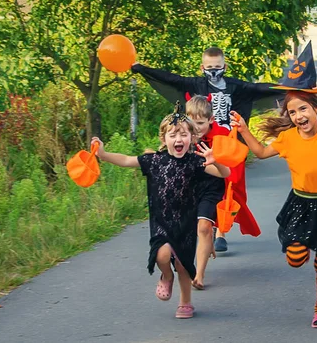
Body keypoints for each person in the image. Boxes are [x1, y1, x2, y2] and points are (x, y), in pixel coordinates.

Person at [231, 42, 317, 328]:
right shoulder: (288, 138)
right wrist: (244, 131)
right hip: (300, 203)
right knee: (295, 258)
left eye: (303, 108)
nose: (298, 116)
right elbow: (260, 153)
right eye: (293, 113)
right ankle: (303, 248)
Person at [132, 46, 282, 252]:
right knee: (201, 184)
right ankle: (207, 224)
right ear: (202, 67)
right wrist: (141, 69)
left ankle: (221, 231)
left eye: (218, 67)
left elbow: (261, 89)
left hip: (229, 144)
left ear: (225, 66)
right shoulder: (195, 84)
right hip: (202, 142)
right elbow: (170, 79)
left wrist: (294, 89)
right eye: (209, 67)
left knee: (232, 186)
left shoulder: (235, 86)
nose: (213, 71)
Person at [90, 104, 230, 319]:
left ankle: (185, 303)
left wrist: (216, 161)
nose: (178, 139)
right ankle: (166, 276)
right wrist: (103, 154)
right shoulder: (154, 161)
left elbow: (224, 173)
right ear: (164, 139)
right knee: (162, 255)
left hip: (186, 222)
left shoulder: (196, 162)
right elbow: (127, 160)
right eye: (173, 135)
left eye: (184, 134)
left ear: (192, 139)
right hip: (161, 221)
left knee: (183, 265)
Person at [185, 94, 258, 290]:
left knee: (203, 227)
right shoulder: (182, 134)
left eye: (200, 122)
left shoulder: (221, 136)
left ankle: (199, 275)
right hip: (189, 188)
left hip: (214, 186)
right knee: (190, 230)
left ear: (210, 120)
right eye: (191, 122)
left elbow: (233, 166)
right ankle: (207, 243)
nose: (196, 127)